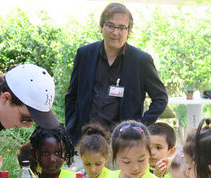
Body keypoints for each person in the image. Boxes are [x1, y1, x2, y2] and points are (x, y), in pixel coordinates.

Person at [65, 2, 168, 145]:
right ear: (101, 27)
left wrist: (139, 127)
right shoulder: (85, 54)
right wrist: (71, 127)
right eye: (110, 25)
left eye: (121, 27)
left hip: (122, 144)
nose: (115, 32)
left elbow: (161, 98)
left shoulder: (141, 61)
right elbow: (72, 96)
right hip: (85, 142)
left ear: (128, 31)